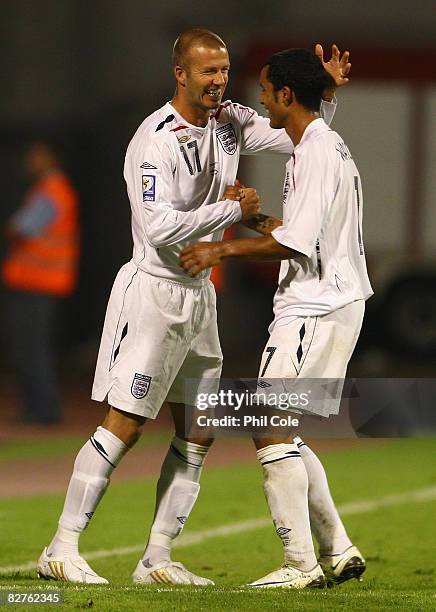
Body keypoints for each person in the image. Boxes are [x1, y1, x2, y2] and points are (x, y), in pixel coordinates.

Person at [37, 29, 348, 585]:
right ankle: (61, 547)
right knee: (126, 425)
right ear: (180, 73)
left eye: (225, 70)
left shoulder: (229, 121)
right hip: (154, 293)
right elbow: (156, 229)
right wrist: (226, 213)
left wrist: (320, 93)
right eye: (208, 72)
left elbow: (298, 135)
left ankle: (156, 558)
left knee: (199, 431)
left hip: (200, 296)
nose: (220, 82)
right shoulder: (153, 140)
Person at [180, 48, 373, 588]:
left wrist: (220, 251)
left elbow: (296, 243)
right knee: (286, 433)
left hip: (315, 307)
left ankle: (299, 566)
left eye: (266, 89)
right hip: (333, 304)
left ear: (287, 94)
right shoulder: (321, 144)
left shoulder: (314, 151)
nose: (260, 98)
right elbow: (301, 227)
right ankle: (336, 550)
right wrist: (254, 217)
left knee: (268, 428)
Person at [2, 141, 80, 424]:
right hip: (37, 282)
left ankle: (44, 409)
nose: (31, 161)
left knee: (32, 346)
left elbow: (20, 227)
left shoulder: (52, 191)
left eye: (37, 156)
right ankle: (36, 407)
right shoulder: (46, 190)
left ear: (52, 159)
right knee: (28, 346)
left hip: (40, 283)